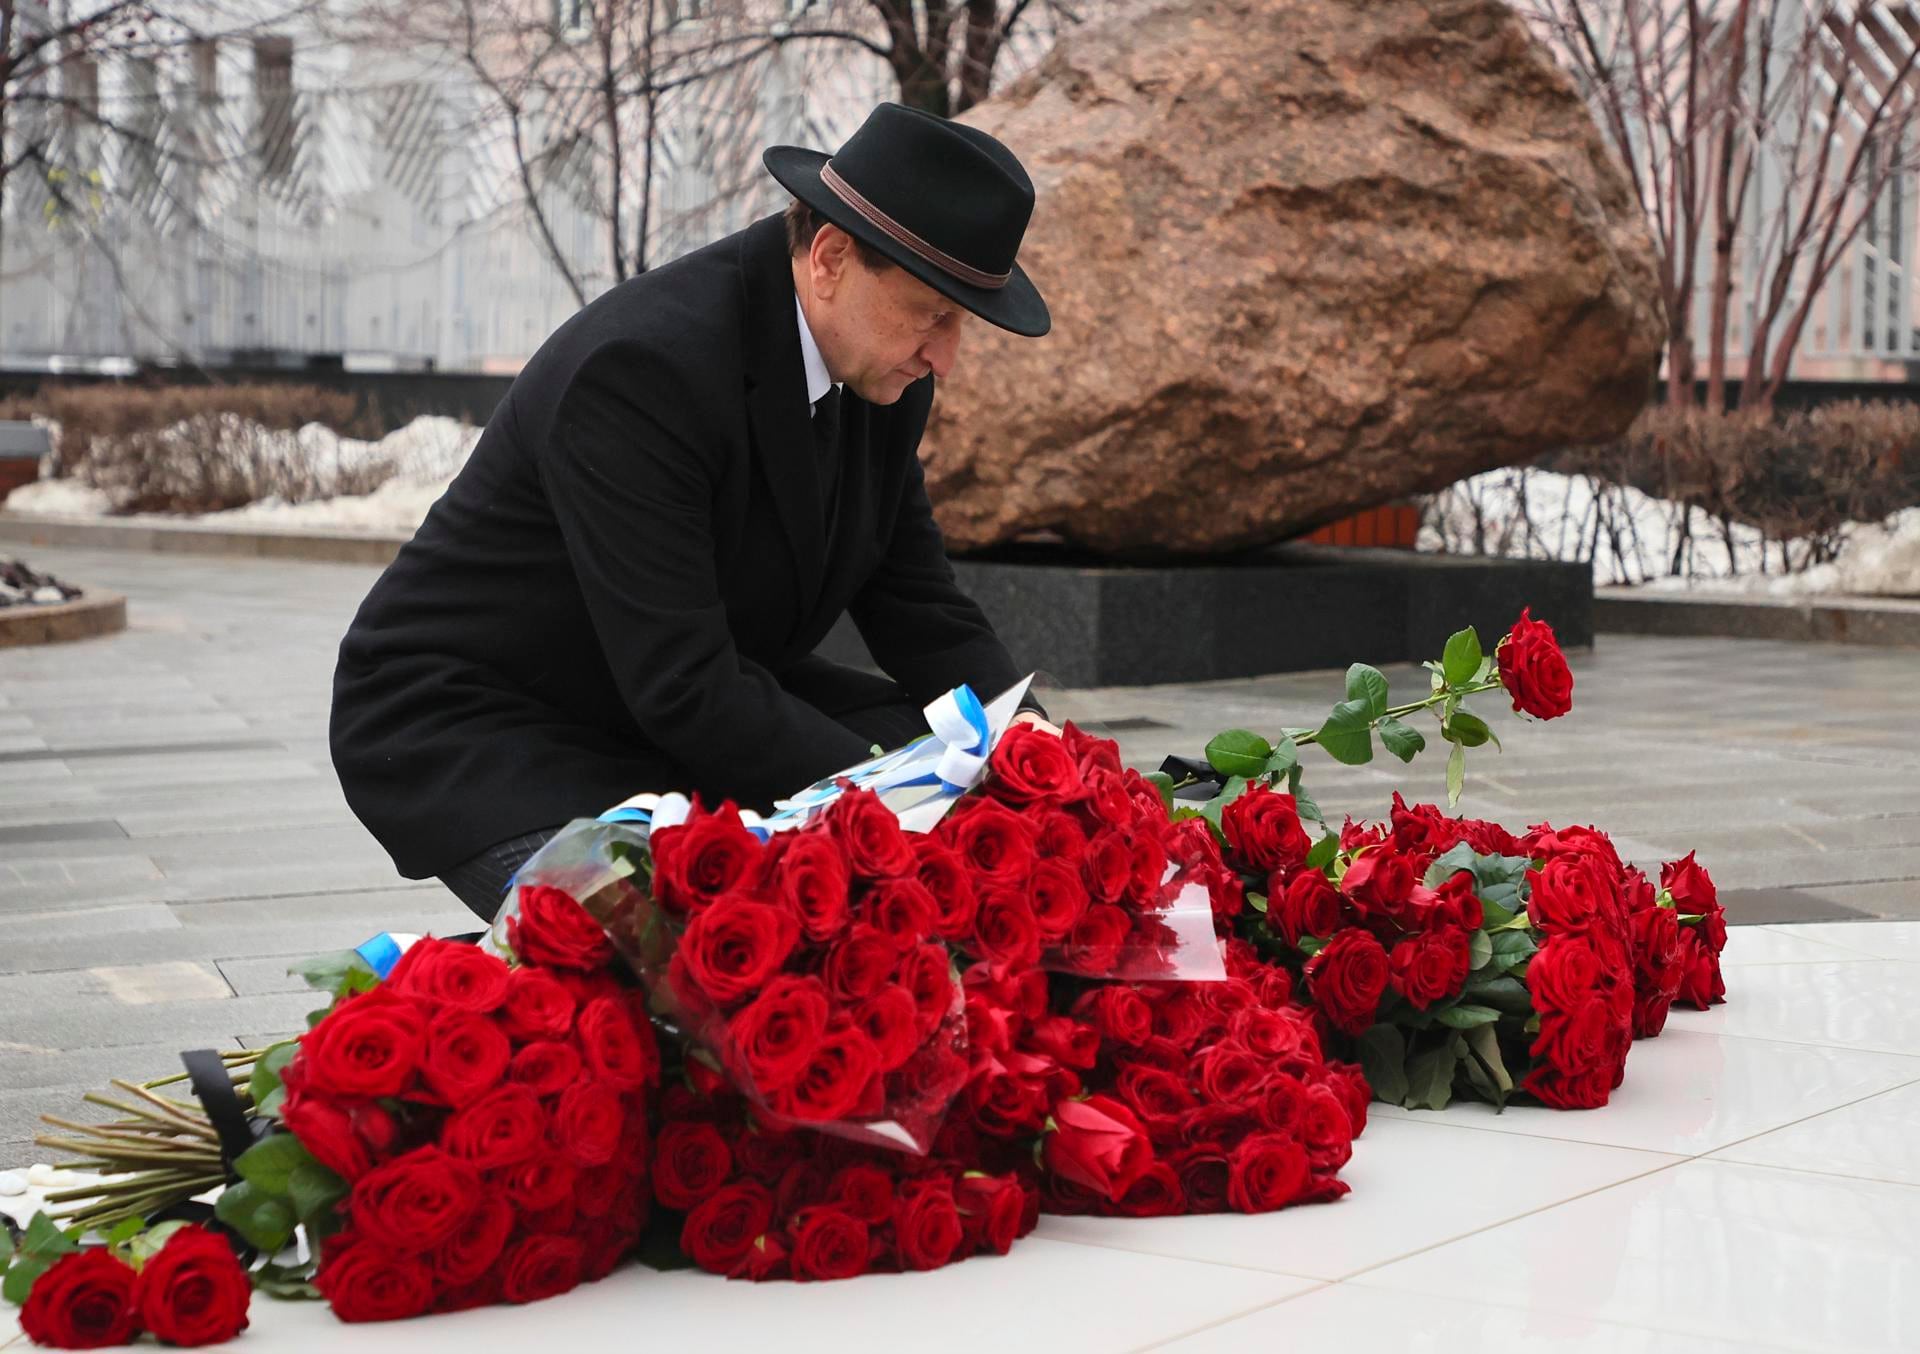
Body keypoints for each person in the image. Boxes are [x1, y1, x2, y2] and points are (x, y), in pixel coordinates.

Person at [329, 102, 1054, 922]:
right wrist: (896, 808)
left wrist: (1029, 747)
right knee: (709, 948)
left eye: (962, 323)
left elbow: (917, 604)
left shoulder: (878, 370)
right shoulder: (643, 370)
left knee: (957, 771)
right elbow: (684, 684)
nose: (946, 358)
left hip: (666, 699)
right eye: (933, 315)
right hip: (493, 725)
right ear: (830, 258)